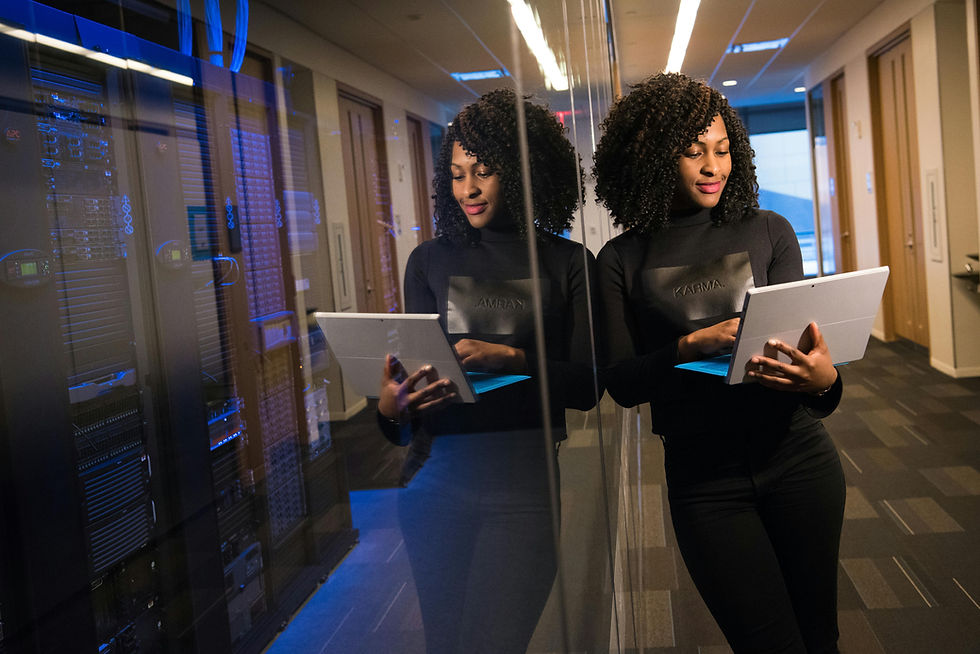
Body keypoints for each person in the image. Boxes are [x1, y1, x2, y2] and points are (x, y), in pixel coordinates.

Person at [593, 72, 845, 653]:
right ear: (655, 159)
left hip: (799, 459)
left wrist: (825, 381)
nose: (713, 166)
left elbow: (809, 365)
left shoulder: (769, 231)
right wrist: (688, 347)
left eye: (723, 149)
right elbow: (623, 384)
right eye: (693, 152)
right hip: (706, 483)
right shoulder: (621, 258)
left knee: (820, 636)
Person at [376, 88, 598, 653]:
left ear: (524, 172)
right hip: (434, 480)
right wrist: (390, 408)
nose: (468, 189)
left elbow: (590, 385)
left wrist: (515, 360)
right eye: (456, 174)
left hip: (523, 487)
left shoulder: (568, 264)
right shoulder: (429, 261)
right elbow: (411, 403)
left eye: (483, 172)